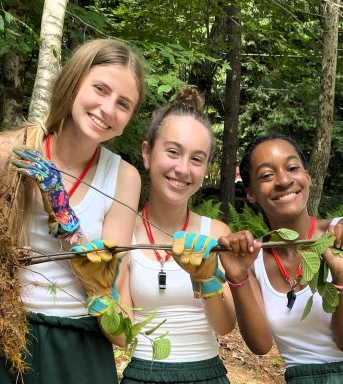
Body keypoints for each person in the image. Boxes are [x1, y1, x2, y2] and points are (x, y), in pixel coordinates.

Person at [0, 39, 144, 383]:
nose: (108, 108)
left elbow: (111, 292)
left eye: (123, 103)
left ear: (129, 119)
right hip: (12, 338)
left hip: (83, 344)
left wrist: (64, 212)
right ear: (73, 81)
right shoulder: (3, 153)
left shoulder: (123, 177)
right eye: (100, 89)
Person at [217, 134, 343, 384]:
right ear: (251, 194)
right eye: (267, 175)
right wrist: (238, 278)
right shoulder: (253, 260)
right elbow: (260, 345)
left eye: (292, 168)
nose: (283, 180)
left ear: (308, 177)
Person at [111, 87, 236, 383]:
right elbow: (121, 337)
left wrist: (207, 280)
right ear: (147, 153)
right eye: (173, 152)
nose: (182, 169)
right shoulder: (123, 233)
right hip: (143, 374)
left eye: (197, 159)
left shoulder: (216, 233)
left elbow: (225, 325)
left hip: (207, 374)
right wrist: (101, 293)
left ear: (206, 168)